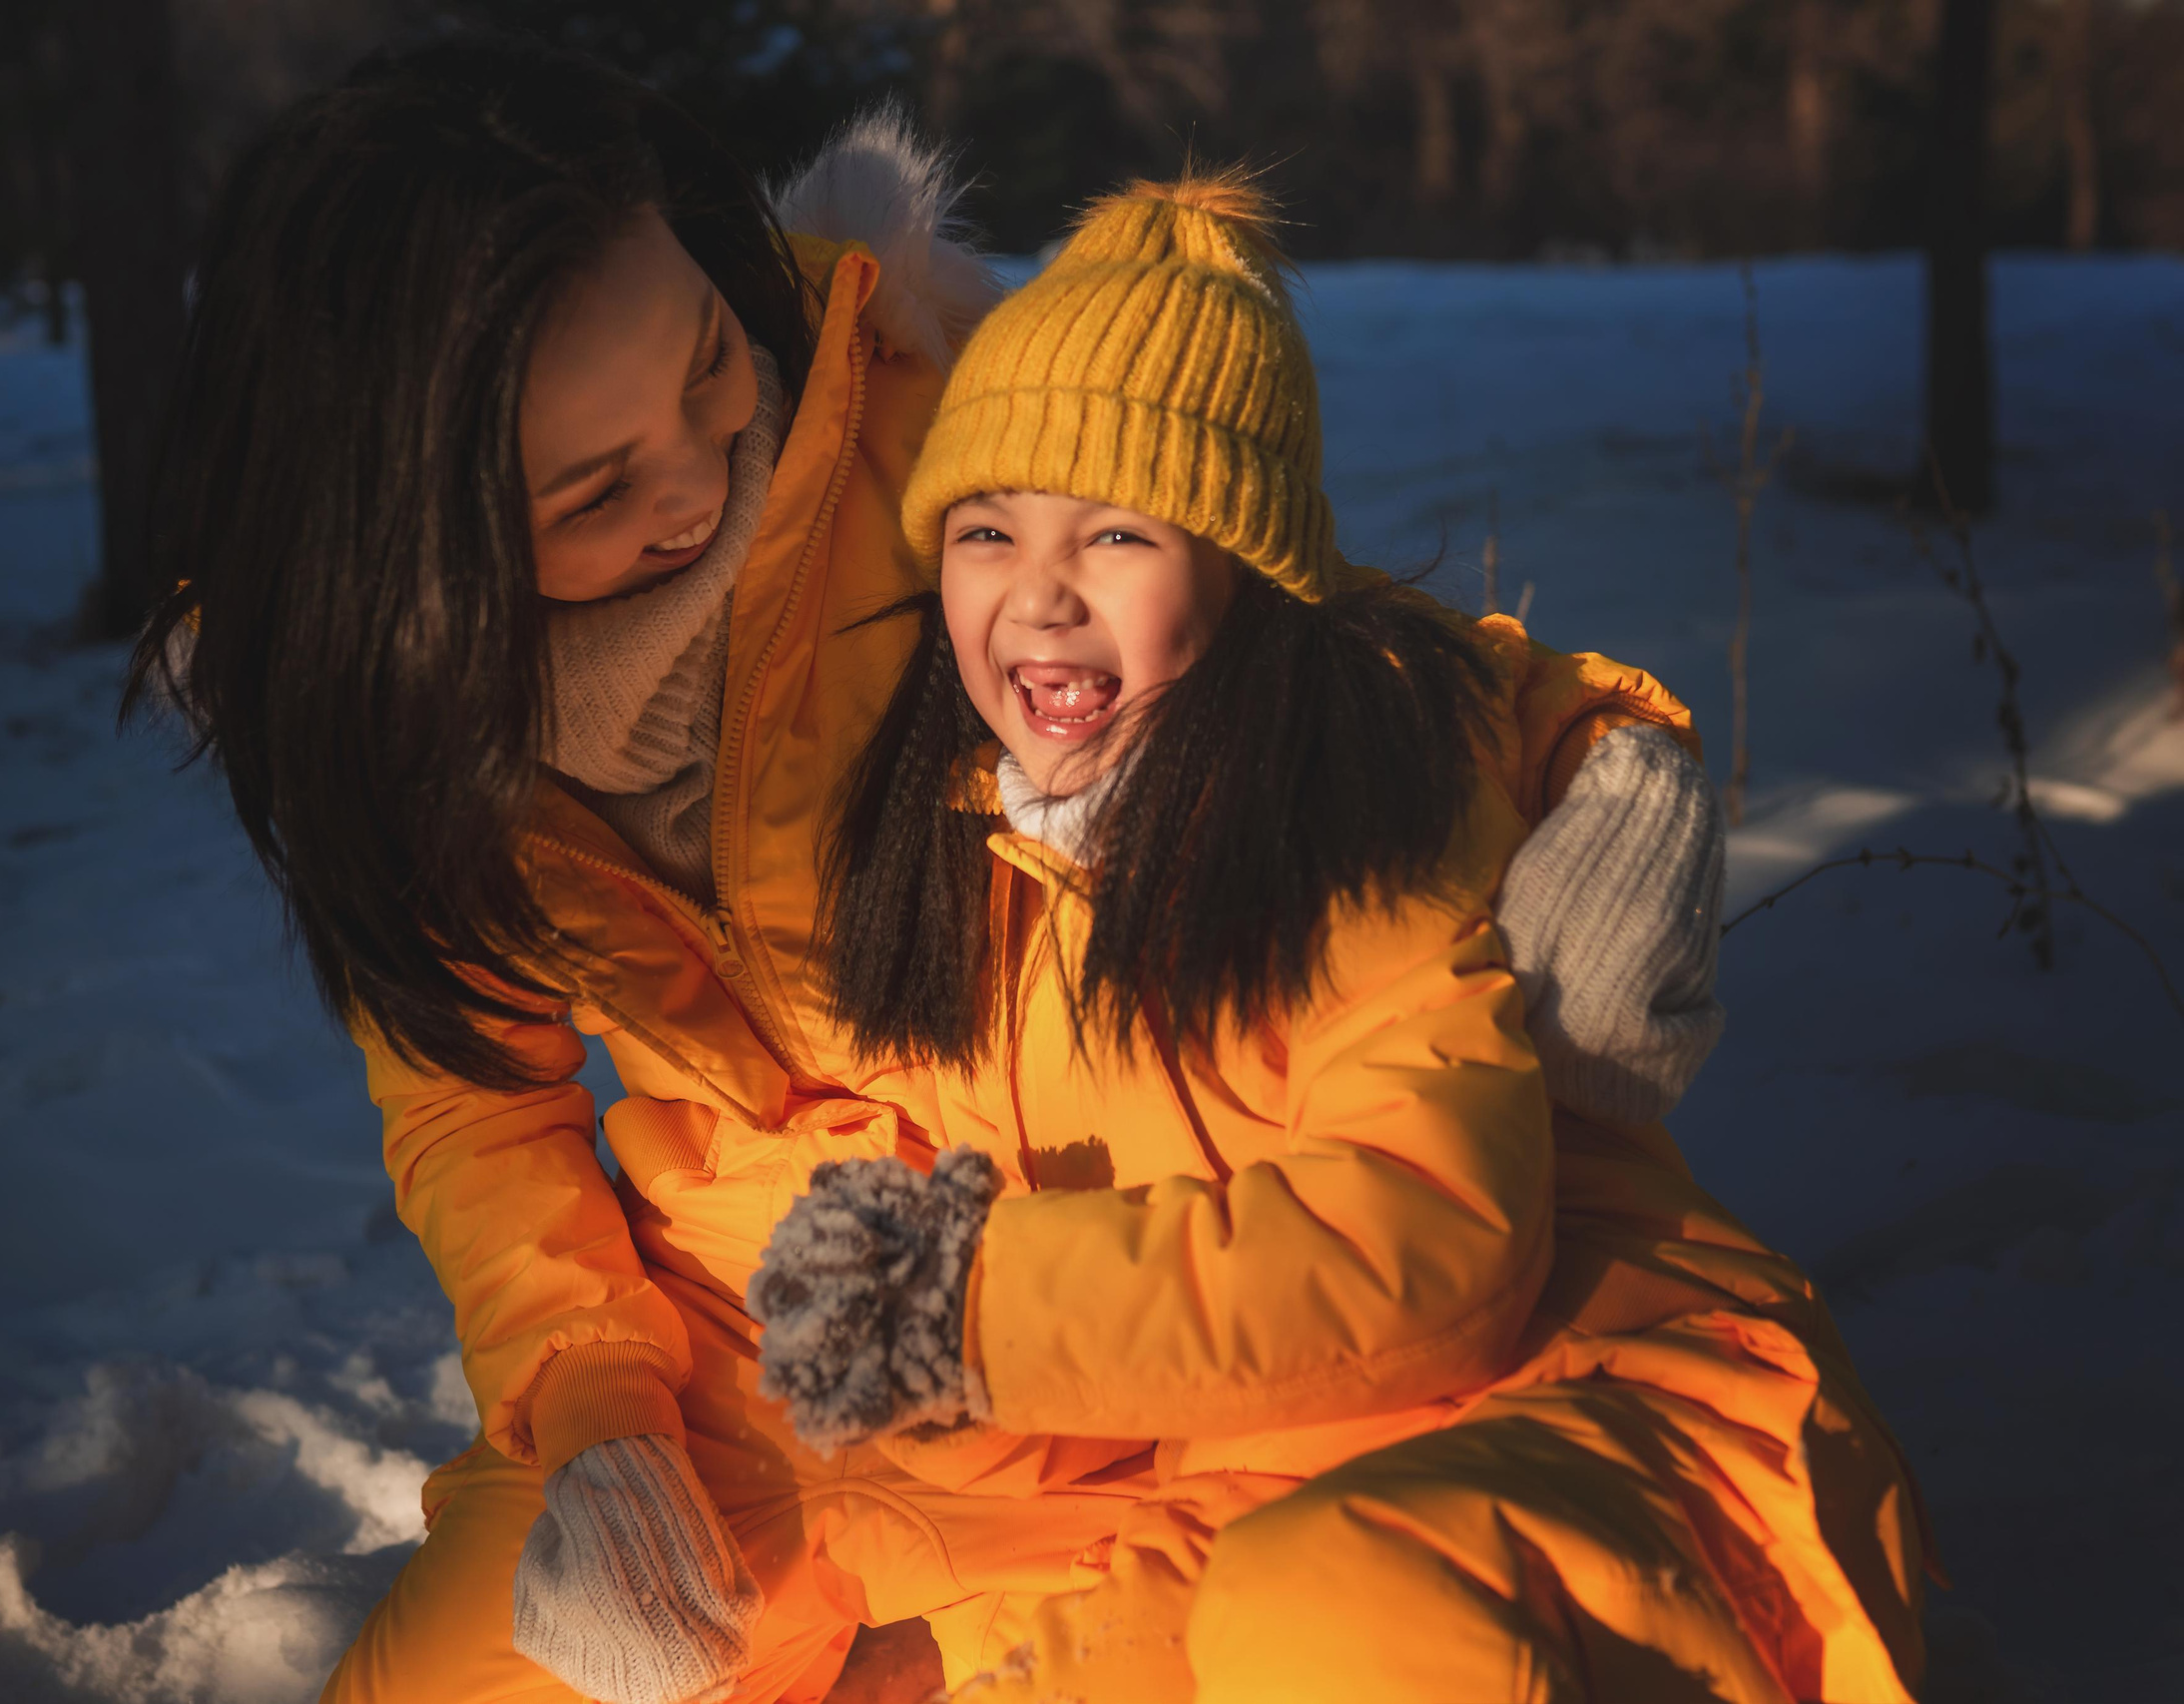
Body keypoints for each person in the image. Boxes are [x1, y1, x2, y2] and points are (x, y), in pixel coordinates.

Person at [132, 31, 1757, 1704]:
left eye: (706, 364)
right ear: (413, 553)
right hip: (769, 1355)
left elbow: (1262, 607)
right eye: (597, 488)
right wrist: (594, 1410)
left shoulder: (928, 409)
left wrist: (1583, 741)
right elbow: (479, 1100)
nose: (703, 482)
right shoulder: (413, 736)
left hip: (1131, 1280)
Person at [747, 177, 1931, 1703]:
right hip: (1274, 1469)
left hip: (1598, 1409)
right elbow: (1192, 1399)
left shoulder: (1357, 806)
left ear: (1242, 575)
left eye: (1116, 532)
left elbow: (1427, 1249)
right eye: (986, 530)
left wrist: (971, 1302)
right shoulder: (984, 857)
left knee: (1327, 1609)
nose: (1038, 595)